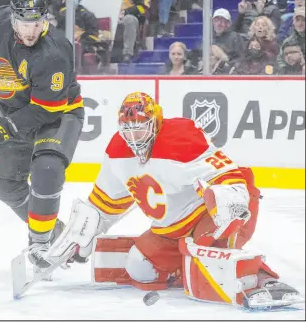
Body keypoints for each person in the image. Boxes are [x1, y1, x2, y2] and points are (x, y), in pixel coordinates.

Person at [58, 92, 301, 309]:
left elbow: (228, 176)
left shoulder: (180, 137)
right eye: (127, 129)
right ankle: (189, 269)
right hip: (171, 229)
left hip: (212, 213)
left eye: (140, 127)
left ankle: (264, 280)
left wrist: (230, 204)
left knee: (208, 256)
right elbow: (104, 203)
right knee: (139, 267)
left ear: (154, 123)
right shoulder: (117, 151)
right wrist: (81, 235)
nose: (134, 137)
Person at [0, 0, 84, 268]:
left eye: (36, 23)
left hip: (57, 114)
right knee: (6, 186)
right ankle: (53, 230)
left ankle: (41, 243)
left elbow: (45, 110)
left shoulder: (54, 52)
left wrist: (3, 128)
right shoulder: (1, 19)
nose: (30, 31)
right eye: (24, 23)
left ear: (45, 20)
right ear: (14, 19)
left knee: (47, 169)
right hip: (13, 109)